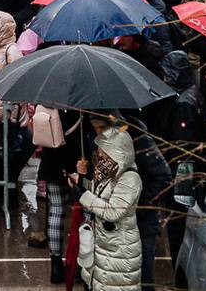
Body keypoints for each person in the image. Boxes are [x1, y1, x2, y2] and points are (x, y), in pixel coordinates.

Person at [78, 116, 145, 291]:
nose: (100, 153)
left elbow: (113, 211)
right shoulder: (107, 171)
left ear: (118, 152)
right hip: (104, 246)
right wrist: (82, 178)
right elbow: (96, 195)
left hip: (120, 251)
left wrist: (83, 195)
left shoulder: (129, 178)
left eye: (105, 150)